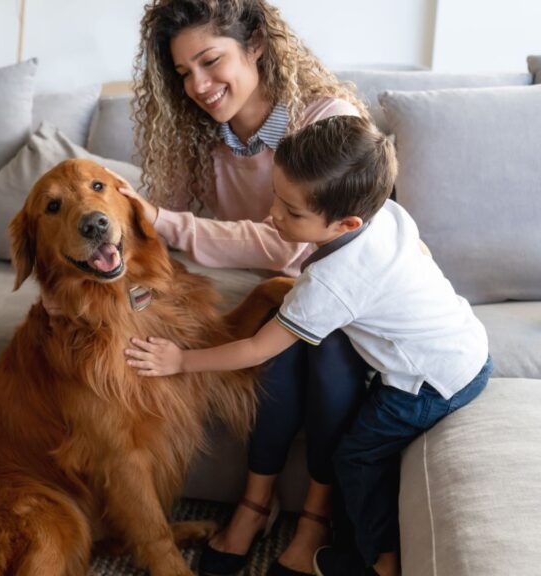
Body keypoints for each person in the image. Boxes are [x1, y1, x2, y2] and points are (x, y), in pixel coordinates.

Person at [45, 1, 375, 574]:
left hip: (339, 292)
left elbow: (290, 245)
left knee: (323, 358)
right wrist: (97, 285)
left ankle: (313, 522)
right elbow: (148, 240)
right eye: (181, 72)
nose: (198, 85)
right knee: (273, 358)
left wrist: (164, 221)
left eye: (210, 60)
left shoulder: (324, 118)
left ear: (256, 47)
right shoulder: (199, 137)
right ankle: (254, 505)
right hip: (276, 291)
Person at [125, 115, 492, 576]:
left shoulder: (331, 285)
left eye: (292, 212)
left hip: (430, 381)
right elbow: (421, 254)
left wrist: (180, 359)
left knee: (358, 455)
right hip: (466, 344)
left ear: (347, 222)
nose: (274, 215)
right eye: (277, 195)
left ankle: (379, 560)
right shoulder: (390, 215)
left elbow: (258, 349)